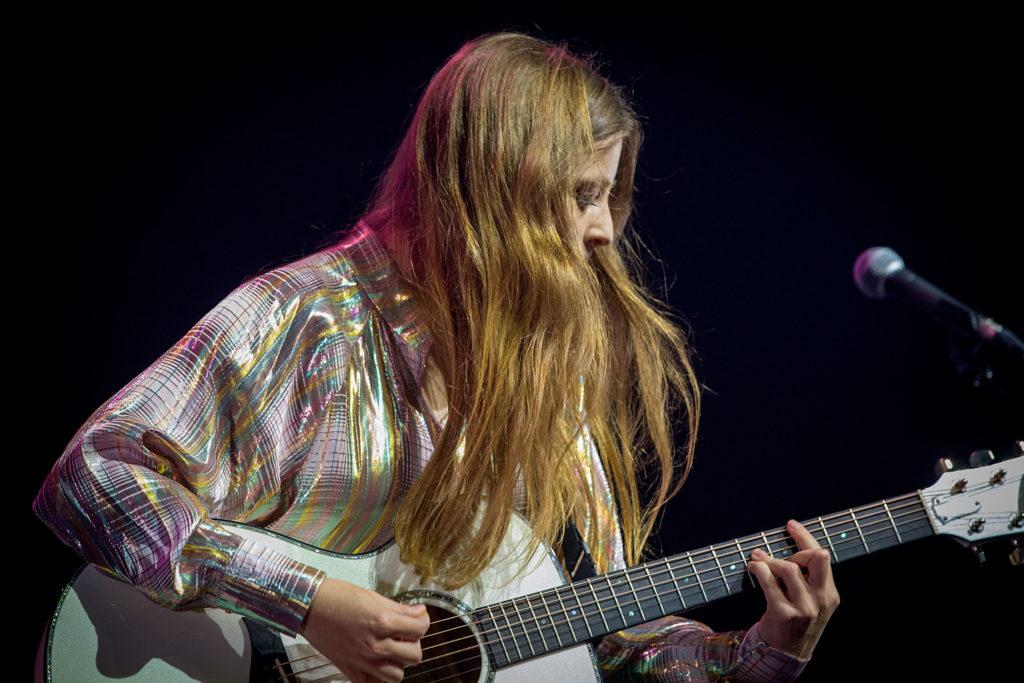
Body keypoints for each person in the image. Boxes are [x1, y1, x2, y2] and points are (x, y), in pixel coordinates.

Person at [32, 31, 839, 682]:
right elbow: (91, 477)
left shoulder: (540, 377)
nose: (604, 232)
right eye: (583, 194)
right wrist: (307, 602)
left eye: (609, 197)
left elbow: (598, 640)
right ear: (496, 191)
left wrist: (759, 651)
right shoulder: (309, 318)